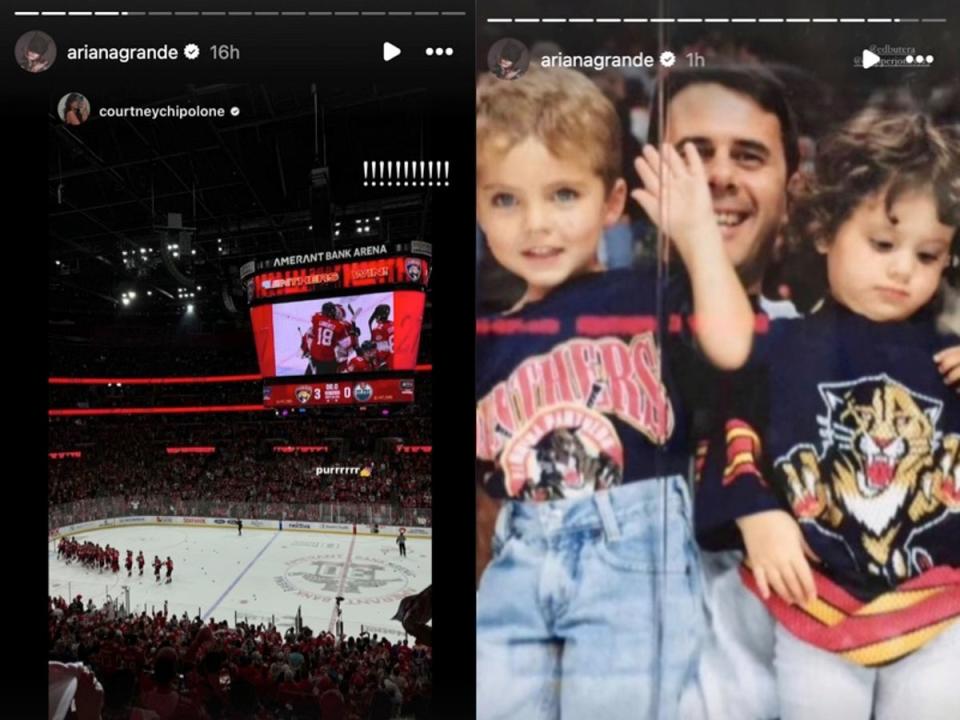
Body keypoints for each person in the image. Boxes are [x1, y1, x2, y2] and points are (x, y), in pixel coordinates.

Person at [474, 66, 753, 719]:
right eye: (506, 199)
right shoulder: (490, 336)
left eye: (563, 194)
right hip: (518, 553)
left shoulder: (642, 293)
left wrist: (697, 233)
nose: (536, 224)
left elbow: (734, 344)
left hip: (629, 547)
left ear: (612, 201)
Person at [696, 110, 960, 720]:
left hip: (935, 604)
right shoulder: (779, 346)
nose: (902, 270)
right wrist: (756, 514)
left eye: (927, 255)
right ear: (824, 230)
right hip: (815, 597)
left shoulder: (949, 357)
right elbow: (736, 433)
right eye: (882, 244)